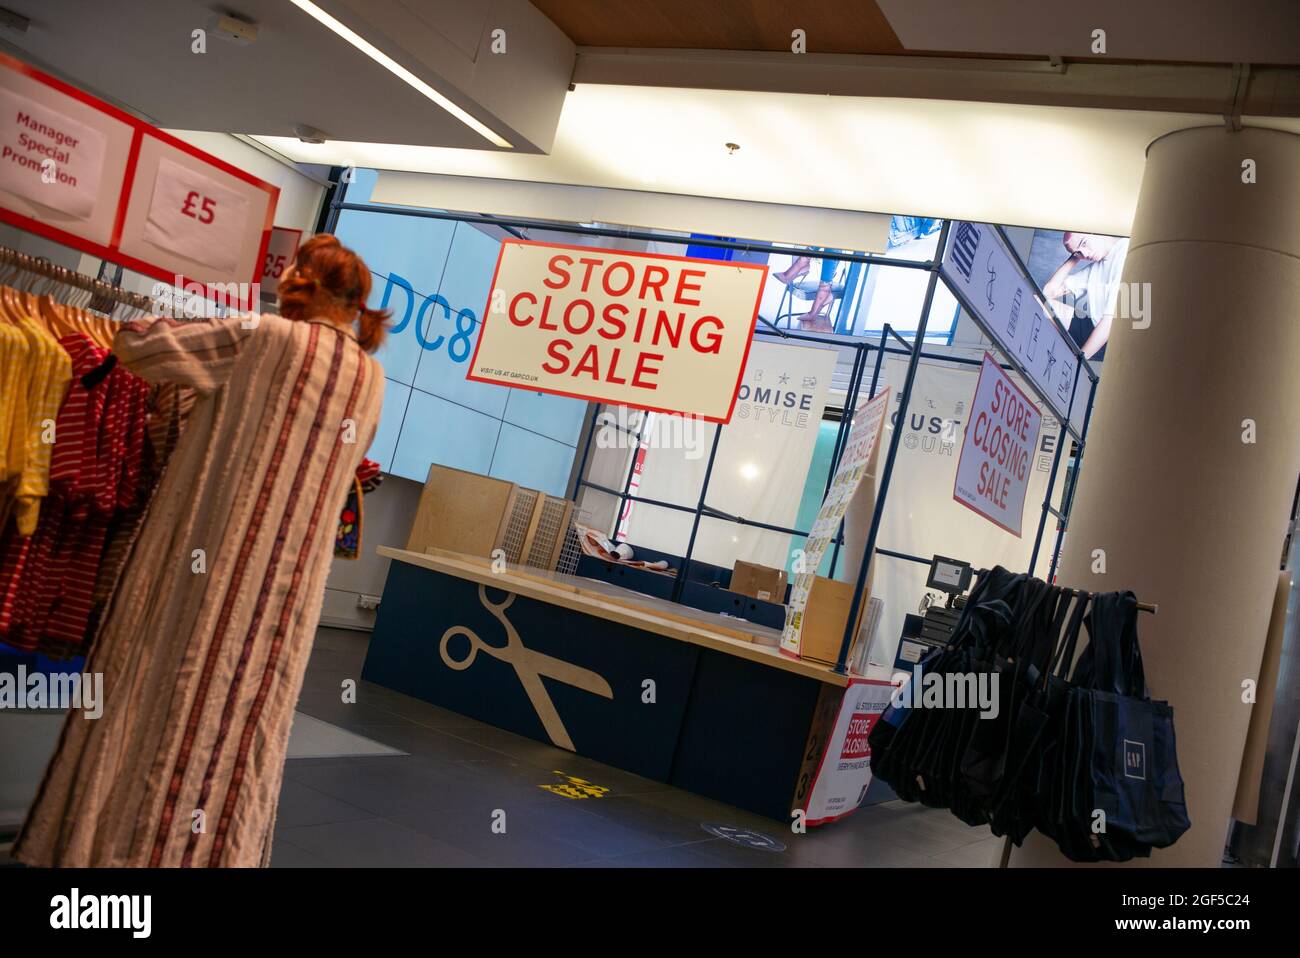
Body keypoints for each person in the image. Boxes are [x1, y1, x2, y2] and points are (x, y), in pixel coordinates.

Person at [14, 235, 387, 867]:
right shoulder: (369, 375)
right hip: (283, 595)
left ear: (305, 284)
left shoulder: (261, 336)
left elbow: (141, 348)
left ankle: (109, 851)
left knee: (157, 691)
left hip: (203, 559)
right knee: (240, 718)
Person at [1042, 231, 1130, 360]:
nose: (1085, 254)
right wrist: (1075, 257)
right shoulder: (1098, 264)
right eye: (1078, 252)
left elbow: (1109, 323)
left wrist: (1077, 362)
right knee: (1040, 302)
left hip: (1110, 339)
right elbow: (1049, 292)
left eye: (1084, 243)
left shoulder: (1124, 253)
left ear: (1095, 231)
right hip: (1092, 325)